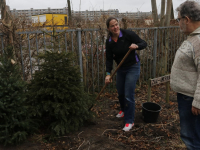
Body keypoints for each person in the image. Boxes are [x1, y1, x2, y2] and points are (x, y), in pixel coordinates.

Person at [105, 17, 147, 132]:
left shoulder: (128, 34)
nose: (115, 27)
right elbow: (109, 59)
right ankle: (123, 110)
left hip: (133, 66)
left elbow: (144, 43)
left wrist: (136, 46)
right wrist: (108, 74)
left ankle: (129, 121)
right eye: (112, 26)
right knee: (120, 92)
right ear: (108, 28)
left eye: (116, 24)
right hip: (120, 68)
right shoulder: (109, 42)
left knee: (128, 94)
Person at [170, 1, 200, 149]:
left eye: (178, 19)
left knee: (192, 138)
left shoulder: (198, 41)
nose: (178, 23)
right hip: (187, 96)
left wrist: (198, 102)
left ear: (186, 19)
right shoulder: (193, 37)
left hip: (191, 100)